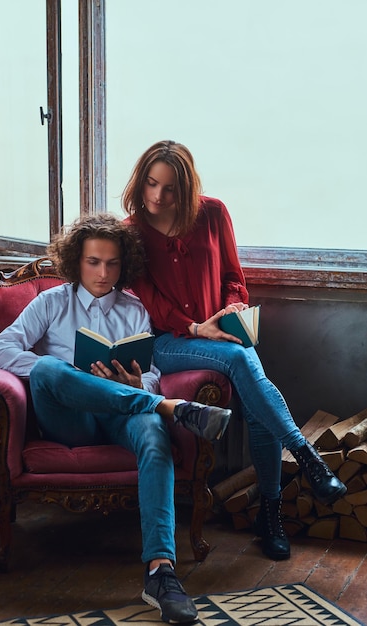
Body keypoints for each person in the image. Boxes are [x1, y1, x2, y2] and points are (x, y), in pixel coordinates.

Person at [0, 213, 234, 625]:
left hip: (124, 414)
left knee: (153, 430)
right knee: (48, 369)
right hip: (70, 421)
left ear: (125, 264)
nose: (103, 273)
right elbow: (0, 353)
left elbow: (152, 374)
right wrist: (72, 376)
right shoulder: (50, 302)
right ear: (75, 261)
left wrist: (141, 384)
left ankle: (161, 572)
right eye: (93, 262)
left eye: (112, 263)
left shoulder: (134, 308)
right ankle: (170, 409)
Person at [122, 140, 347, 562]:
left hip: (223, 333)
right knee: (245, 361)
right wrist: (193, 326)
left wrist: (233, 304)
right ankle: (307, 456)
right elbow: (146, 297)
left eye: (169, 188)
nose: (157, 196)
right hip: (170, 342)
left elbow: (232, 274)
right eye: (151, 184)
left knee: (256, 402)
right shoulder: (131, 230)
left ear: (186, 190)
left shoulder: (212, 213)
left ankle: (270, 516)